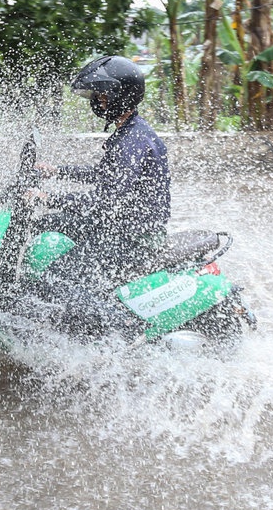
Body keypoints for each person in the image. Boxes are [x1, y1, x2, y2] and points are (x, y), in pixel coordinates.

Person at [25, 55, 171, 330]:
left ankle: (122, 330)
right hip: (119, 222)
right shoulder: (129, 131)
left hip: (133, 236)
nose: (98, 102)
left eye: (102, 96)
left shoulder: (133, 140)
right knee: (48, 223)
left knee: (57, 277)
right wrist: (56, 171)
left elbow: (106, 200)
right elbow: (103, 175)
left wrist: (50, 198)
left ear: (121, 96)